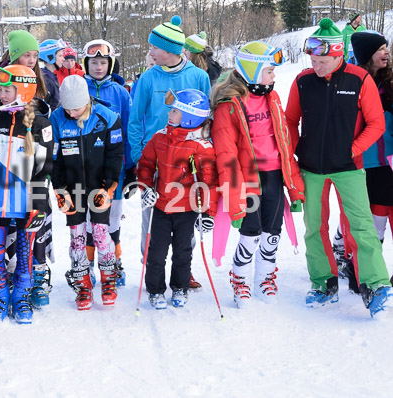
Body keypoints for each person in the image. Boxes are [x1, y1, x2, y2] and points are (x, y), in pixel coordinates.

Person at [285, 18, 392, 318]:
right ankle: (323, 283)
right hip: (311, 169)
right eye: (313, 60)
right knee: (314, 229)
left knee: (361, 227)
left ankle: (375, 285)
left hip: (349, 168)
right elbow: (289, 122)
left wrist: (353, 149)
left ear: (338, 55)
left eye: (322, 60)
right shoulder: (302, 81)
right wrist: (295, 150)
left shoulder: (359, 79)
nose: (316, 65)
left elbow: (376, 124)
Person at [211, 41, 305, 307]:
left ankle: (265, 277)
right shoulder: (228, 106)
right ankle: (240, 279)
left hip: (275, 173)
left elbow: (285, 145)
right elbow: (226, 158)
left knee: (272, 232)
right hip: (247, 177)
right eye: (269, 71)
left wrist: (295, 186)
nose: (274, 77)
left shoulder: (272, 98)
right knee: (250, 232)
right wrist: (234, 202)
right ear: (252, 71)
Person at [128, 15, 211, 291]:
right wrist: (140, 156)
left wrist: (202, 153)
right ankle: (151, 270)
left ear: (171, 50)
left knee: (186, 219)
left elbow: (206, 119)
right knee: (152, 219)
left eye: (154, 48)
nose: (149, 52)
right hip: (155, 161)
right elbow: (135, 119)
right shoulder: (149, 77)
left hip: (187, 162)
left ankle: (182, 272)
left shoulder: (198, 77)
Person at [0, 65, 53, 323]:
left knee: (25, 254)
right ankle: (0, 296)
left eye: (8, 89)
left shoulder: (40, 124)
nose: (3, 94)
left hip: (26, 204)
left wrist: (38, 204)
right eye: (0, 89)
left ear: (24, 90)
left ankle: (21, 296)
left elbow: (45, 169)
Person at [137, 88, 218, 309]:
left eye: (174, 111)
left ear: (189, 117)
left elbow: (208, 183)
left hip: (187, 210)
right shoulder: (160, 138)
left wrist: (207, 213)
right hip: (162, 207)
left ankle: (180, 287)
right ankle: (155, 290)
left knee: (183, 252)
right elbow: (145, 165)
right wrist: (145, 188)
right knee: (156, 251)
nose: (169, 114)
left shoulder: (201, 146)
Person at [50, 75, 123, 310]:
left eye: (76, 108)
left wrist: (109, 186)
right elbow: (55, 159)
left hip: (99, 186)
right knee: (77, 237)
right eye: (67, 108)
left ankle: (108, 279)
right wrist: (60, 190)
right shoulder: (57, 119)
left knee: (102, 233)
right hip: (72, 189)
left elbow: (115, 155)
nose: (71, 113)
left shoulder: (107, 118)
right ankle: (82, 284)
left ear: (87, 101)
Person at [82, 39, 133, 287]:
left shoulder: (121, 93)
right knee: (90, 221)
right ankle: (89, 264)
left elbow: (128, 127)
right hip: (85, 167)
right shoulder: (79, 87)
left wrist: (130, 165)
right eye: (94, 62)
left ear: (110, 64)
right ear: (86, 64)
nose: (99, 67)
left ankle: (113, 261)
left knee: (111, 219)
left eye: (103, 62)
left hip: (114, 168)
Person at [347, 31, 393, 290]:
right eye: (380, 49)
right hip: (362, 163)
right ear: (367, 56)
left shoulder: (389, 84)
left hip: (388, 162)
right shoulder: (353, 82)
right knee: (366, 220)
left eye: (386, 48)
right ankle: (359, 269)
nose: (386, 53)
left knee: (383, 214)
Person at [38, 39, 67, 111]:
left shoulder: (51, 77)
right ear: (50, 57)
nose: (63, 59)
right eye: (60, 56)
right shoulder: (45, 80)